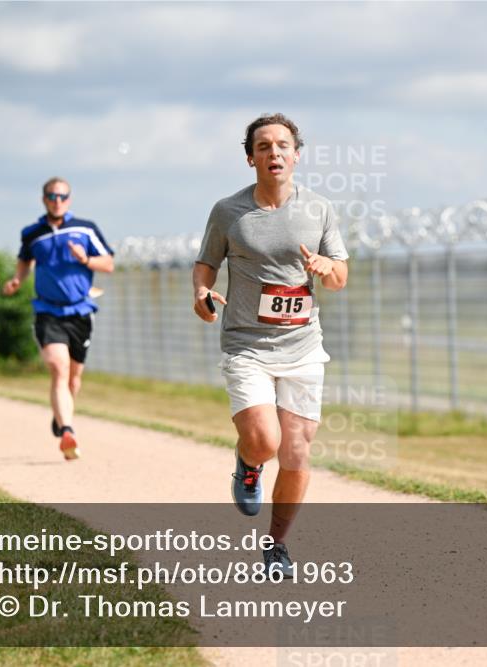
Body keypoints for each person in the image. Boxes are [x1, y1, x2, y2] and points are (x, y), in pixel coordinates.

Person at [193, 113, 349, 576]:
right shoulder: (228, 211)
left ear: (296, 155)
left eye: (283, 145)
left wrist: (326, 267)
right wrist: (201, 293)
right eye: (264, 146)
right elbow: (205, 264)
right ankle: (248, 461)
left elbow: (341, 276)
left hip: (302, 345)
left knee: (297, 450)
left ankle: (277, 545)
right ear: (250, 158)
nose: (274, 153)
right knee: (264, 441)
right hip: (247, 345)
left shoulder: (319, 209)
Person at [3, 177, 114, 460]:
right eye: (52, 196)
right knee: (58, 367)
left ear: (70, 199)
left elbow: (109, 263)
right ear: (44, 199)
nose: (57, 201)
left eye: (63, 196)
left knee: (74, 379)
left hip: (80, 311)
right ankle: (67, 429)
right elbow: (24, 262)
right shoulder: (32, 233)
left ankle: (61, 416)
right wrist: (17, 279)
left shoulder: (85, 229)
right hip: (47, 310)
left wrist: (85, 260)